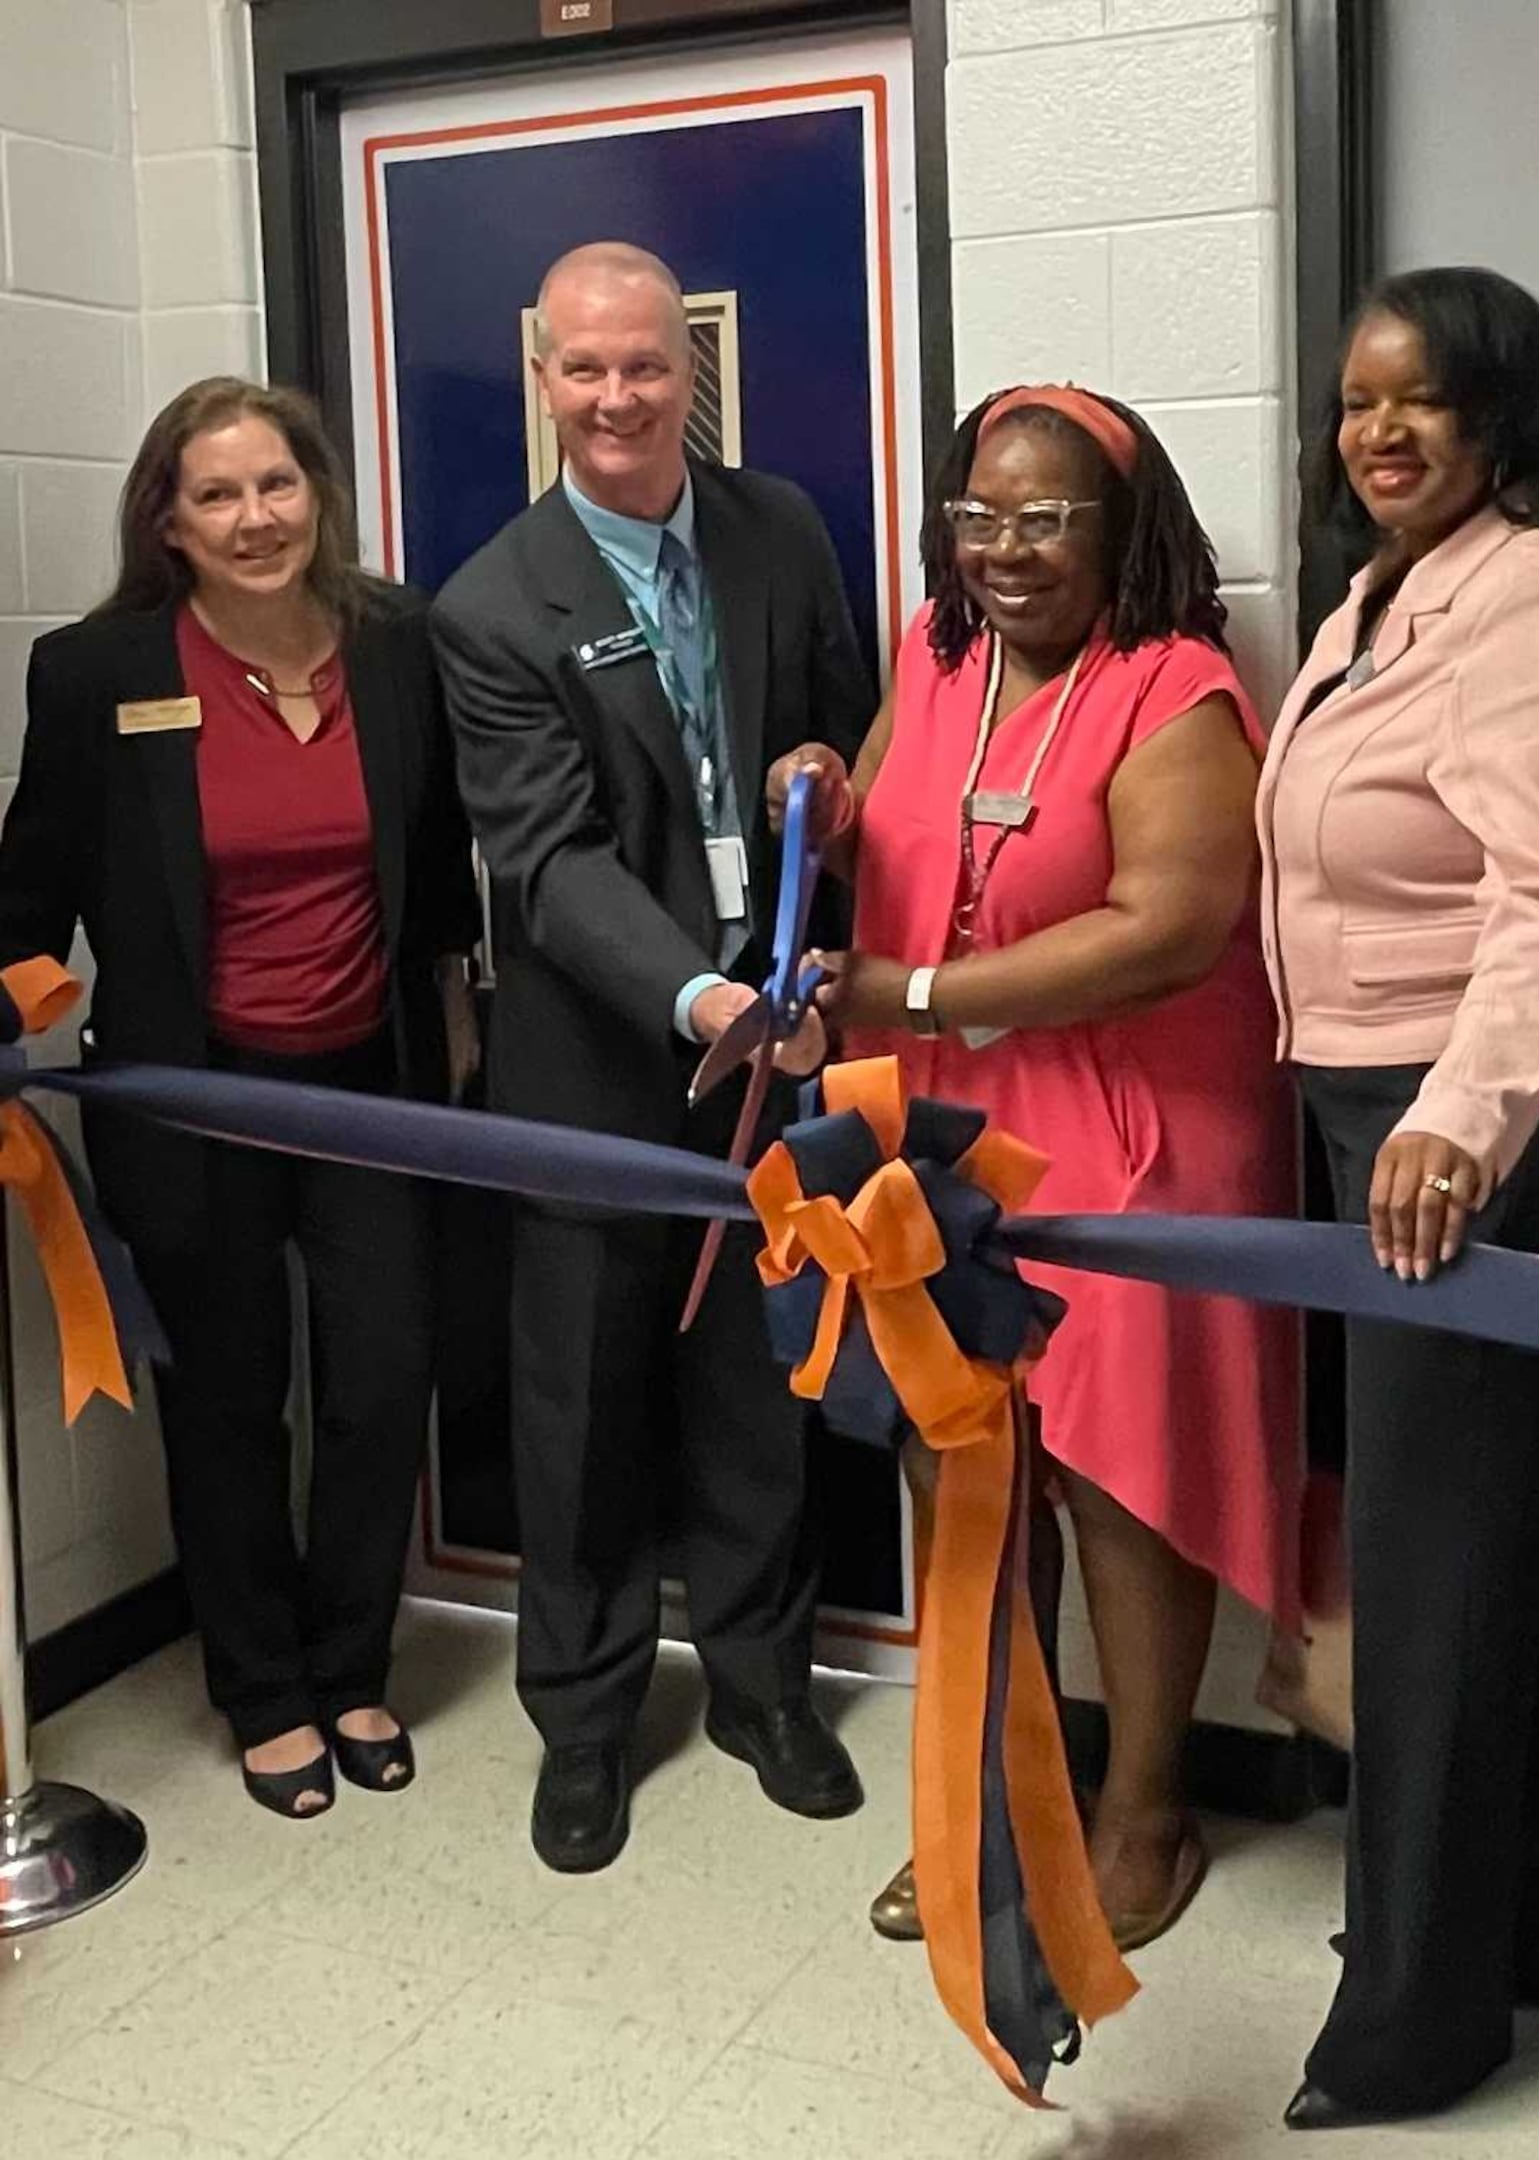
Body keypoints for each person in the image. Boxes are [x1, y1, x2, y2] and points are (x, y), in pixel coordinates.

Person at [766, 382, 1294, 1950]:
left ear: (1122, 529)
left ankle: (1146, 1814)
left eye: (1046, 518)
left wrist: (919, 991)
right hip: (941, 1125)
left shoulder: (1177, 687)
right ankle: (998, 1795)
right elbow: (884, 824)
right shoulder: (938, 656)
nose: (1003, 549)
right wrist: (822, 795)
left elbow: (1168, 931)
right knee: (963, 1459)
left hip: (1133, 1127)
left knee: (1122, 1479)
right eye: (978, 516)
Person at [435, 241, 870, 1873]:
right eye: (586, 369)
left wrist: (827, 780)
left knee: (759, 1388)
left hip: (779, 1057)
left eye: (646, 367)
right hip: (599, 1072)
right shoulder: (491, 605)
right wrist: (701, 1002)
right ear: (544, 377)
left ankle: (765, 1689)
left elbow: (847, 733)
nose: (618, 397)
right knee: (582, 1409)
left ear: (690, 374)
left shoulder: (780, 529)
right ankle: (587, 1720)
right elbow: (545, 866)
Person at [1258, 268, 1539, 2127]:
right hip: (1366, 1110)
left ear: (1501, 415)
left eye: (1419, 400)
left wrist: (1459, 1123)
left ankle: (1414, 2017)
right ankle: (1528, 1933)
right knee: (1495, 1546)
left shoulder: (1536, 593)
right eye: (1356, 401)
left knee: (1429, 1569)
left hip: (1466, 1128)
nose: (1379, 432)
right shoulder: (1377, 597)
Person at [0, 378, 477, 1819]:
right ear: (169, 521)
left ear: (317, 494)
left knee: (383, 1383)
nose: (255, 518)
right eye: (216, 494)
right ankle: (264, 1689)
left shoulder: (396, 643)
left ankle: (353, 1664)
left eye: (277, 484)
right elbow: (31, 890)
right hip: (192, 1097)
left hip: (368, 1092)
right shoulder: (98, 671)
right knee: (225, 1401)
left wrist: (455, 1022)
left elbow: (434, 861)